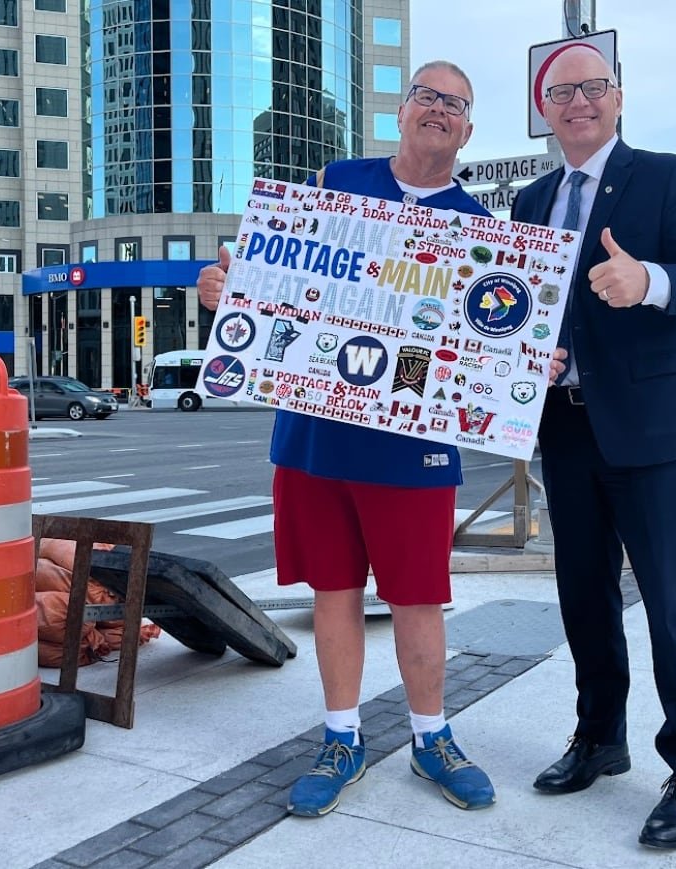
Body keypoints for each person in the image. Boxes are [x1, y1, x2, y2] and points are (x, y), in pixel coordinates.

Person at [198, 61, 499, 817]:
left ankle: (432, 737)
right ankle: (341, 737)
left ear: (467, 130)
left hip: (411, 441)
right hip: (318, 432)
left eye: (454, 103)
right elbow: (278, 284)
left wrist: (527, 361)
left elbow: (487, 343)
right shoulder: (336, 181)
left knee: (419, 597)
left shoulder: (481, 230)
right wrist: (227, 290)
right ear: (402, 111)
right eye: (426, 95)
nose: (438, 109)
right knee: (334, 592)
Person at [510, 45, 676, 850]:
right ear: (544, 108)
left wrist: (650, 281)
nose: (579, 101)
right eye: (562, 91)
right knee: (584, 598)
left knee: (674, 608)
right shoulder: (531, 200)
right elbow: (517, 305)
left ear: (618, 98)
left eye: (593, 87)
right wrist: (528, 353)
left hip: (652, 433)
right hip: (566, 427)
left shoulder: (666, 177)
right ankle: (600, 736)